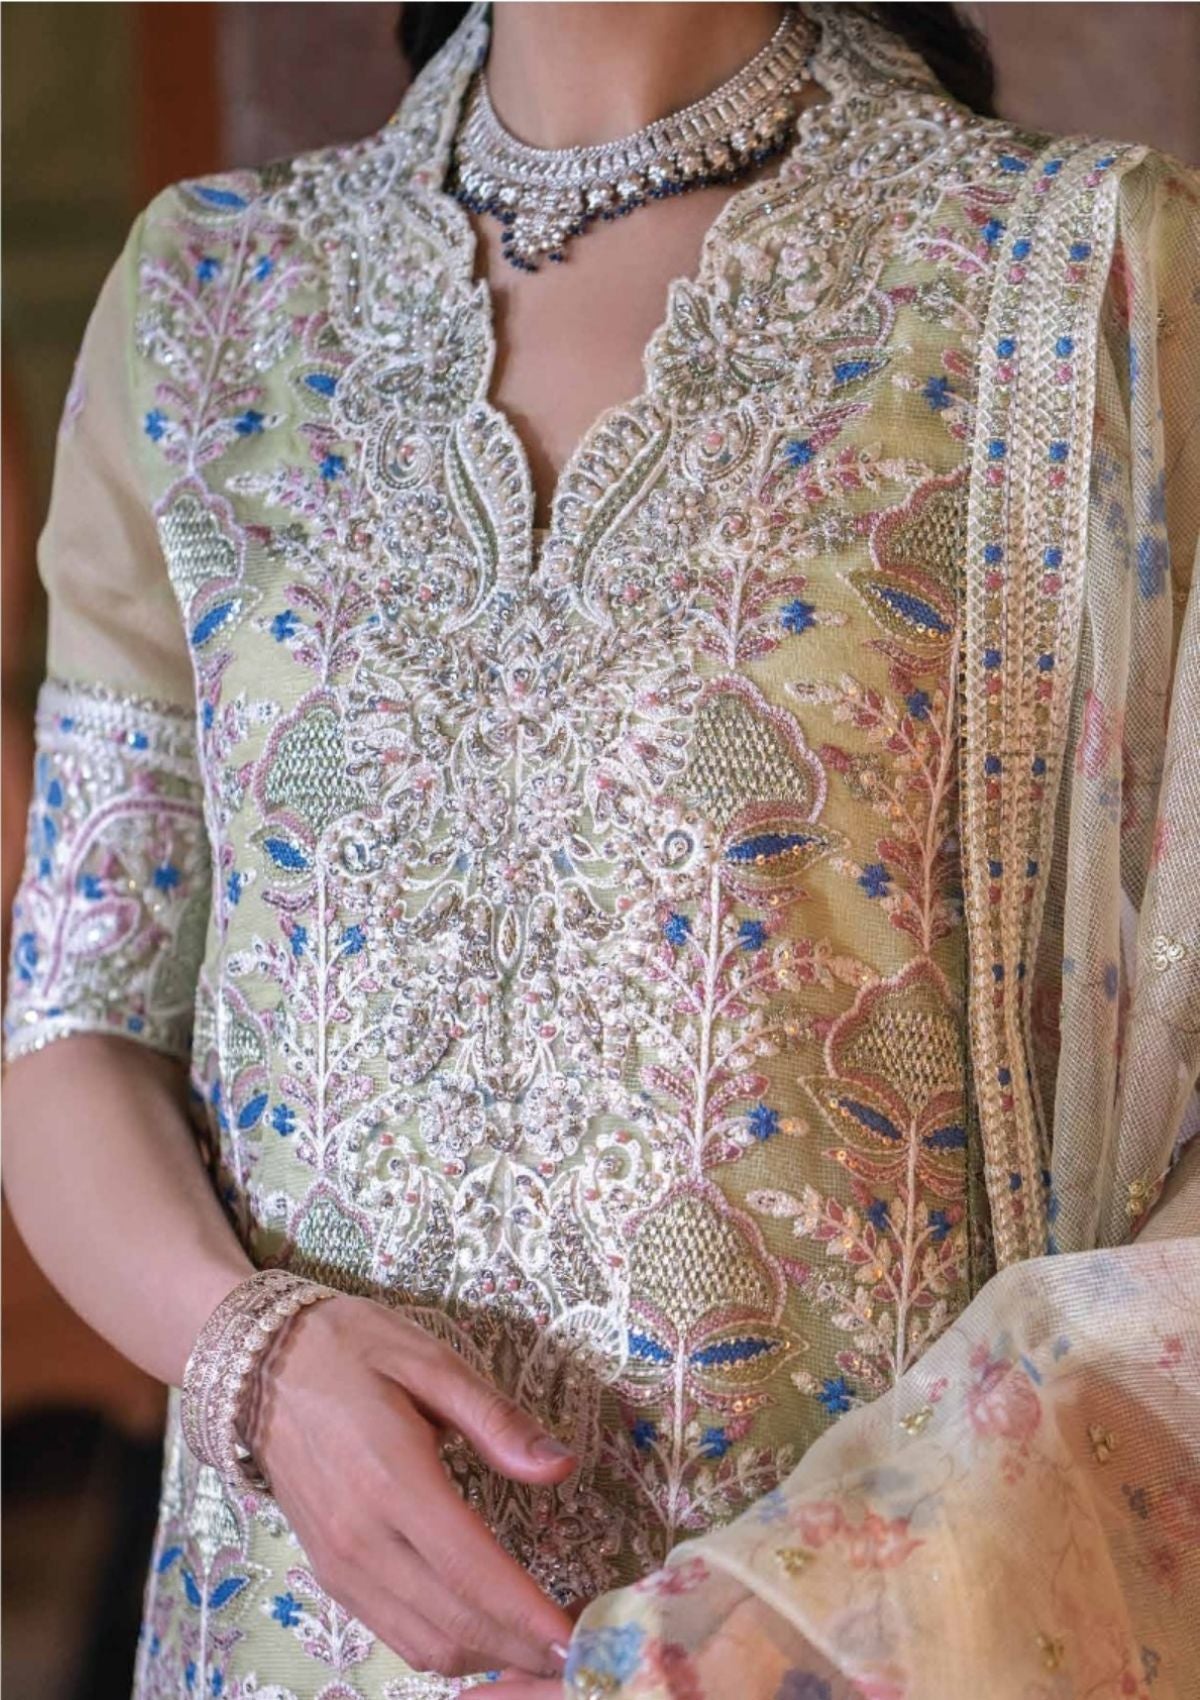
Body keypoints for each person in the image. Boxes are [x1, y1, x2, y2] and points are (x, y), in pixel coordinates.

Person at [3, 5, 1197, 1697]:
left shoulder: (1086, 284)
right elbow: (76, 1020)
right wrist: (256, 1362)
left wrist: (808, 1605)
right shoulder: (207, 301)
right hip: (295, 1634)